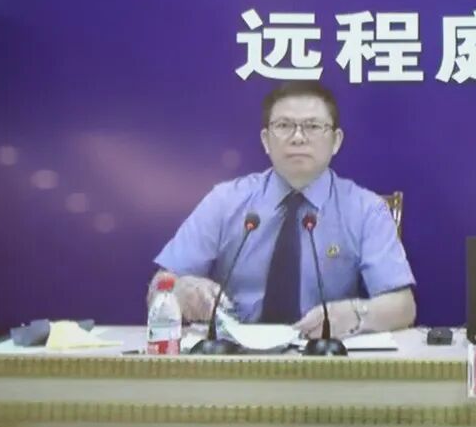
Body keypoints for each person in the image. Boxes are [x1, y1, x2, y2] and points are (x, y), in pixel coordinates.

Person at [148, 81, 416, 337]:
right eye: (284, 125)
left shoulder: (366, 209)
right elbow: (159, 288)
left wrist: (354, 314)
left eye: (313, 126)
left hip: (325, 357)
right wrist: (178, 292)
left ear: (336, 141)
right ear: (266, 140)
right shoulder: (225, 201)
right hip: (234, 359)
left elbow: (404, 307)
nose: (298, 138)